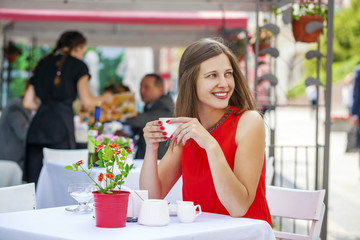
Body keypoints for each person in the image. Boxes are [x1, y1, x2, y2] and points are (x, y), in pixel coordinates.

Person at [139, 38, 271, 225]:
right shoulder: (186, 129)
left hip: (244, 233)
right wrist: (151, 149)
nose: (224, 83)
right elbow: (152, 197)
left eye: (228, 74)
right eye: (212, 76)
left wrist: (210, 144)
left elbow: (238, 207)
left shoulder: (249, 122)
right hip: (200, 233)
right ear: (190, 82)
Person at [23, 31, 113, 185]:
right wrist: (106, 98)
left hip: (37, 129)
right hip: (61, 128)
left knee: (33, 183)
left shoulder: (42, 63)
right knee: (62, 180)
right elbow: (87, 101)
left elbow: (28, 103)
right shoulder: (79, 66)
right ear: (78, 47)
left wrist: (47, 105)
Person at [124, 73, 174, 159]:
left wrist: (115, 114)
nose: (141, 91)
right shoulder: (149, 106)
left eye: (146, 87)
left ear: (160, 89)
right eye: (141, 87)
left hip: (159, 161)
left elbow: (145, 120)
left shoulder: (165, 105)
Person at [0, 86, 32, 170]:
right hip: (12, 160)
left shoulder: (24, 108)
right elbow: (25, 134)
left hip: (19, 159)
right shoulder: (16, 108)